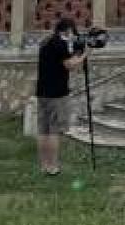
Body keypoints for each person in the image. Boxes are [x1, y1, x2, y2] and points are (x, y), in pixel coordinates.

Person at [35, 17, 88, 175]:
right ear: (67, 31)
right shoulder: (59, 44)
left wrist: (75, 52)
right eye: (72, 32)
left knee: (43, 130)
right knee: (54, 131)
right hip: (56, 94)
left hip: (42, 92)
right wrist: (85, 54)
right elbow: (70, 65)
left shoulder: (46, 42)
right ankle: (53, 166)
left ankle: (44, 165)